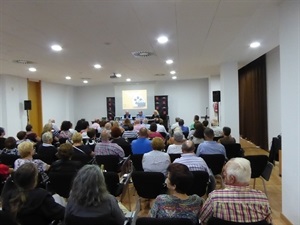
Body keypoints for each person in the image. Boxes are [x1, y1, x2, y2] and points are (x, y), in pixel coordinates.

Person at [200, 157, 272, 224]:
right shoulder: (262, 199)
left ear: (232, 179)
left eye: (224, 175)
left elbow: (202, 220)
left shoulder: (215, 198)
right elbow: (269, 222)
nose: (223, 178)